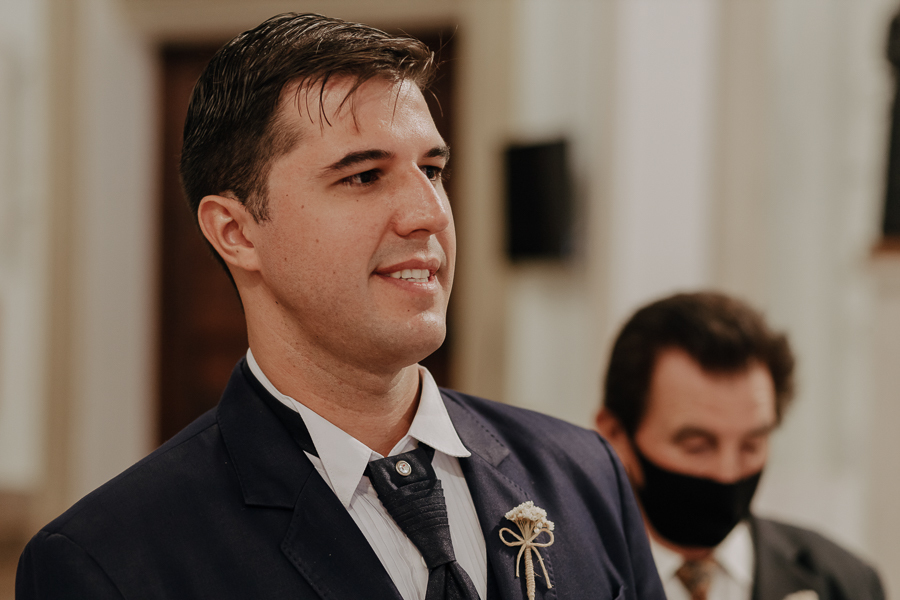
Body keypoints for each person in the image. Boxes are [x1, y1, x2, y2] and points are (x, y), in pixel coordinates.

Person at [16, 13, 664, 600]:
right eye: (363, 175)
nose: (430, 213)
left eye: (433, 170)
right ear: (236, 233)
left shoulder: (582, 476)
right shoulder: (109, 561)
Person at [595, 291, 884, 600]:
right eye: (697, 446)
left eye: (751, 445)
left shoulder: (845, 581)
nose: (727, 473)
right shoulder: (560, 580)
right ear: (615, 434)